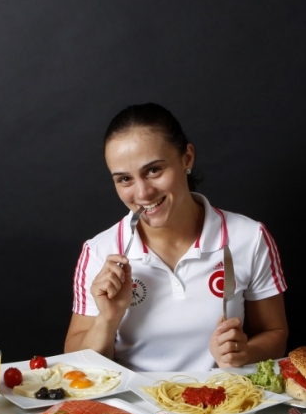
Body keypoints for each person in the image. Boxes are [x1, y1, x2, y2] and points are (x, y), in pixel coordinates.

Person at [64, 103, 288, 372]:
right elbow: (74, 363)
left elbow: (275, 334)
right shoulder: (99, 250)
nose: (143, 193)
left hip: (222, 406)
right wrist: (108, 319)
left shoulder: (249, 238)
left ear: (187, 158)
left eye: (154, 170)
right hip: (131, 407)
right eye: (124, 179)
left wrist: (243, 352)